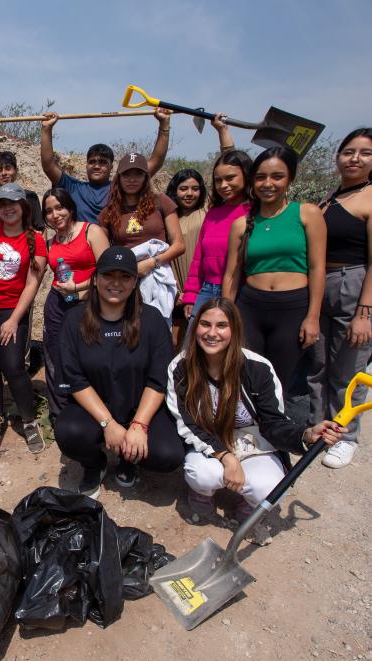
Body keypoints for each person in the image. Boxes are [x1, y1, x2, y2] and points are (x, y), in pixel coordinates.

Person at [167, 298, 345, 545]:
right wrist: (226, 457)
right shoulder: (182, 366)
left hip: (253, 438)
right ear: (195, 326)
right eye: (205, 324)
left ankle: (246, 509)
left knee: (269, 489)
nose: (212, 333)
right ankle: (201, 496)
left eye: (221, 325)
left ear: (235, 330)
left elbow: (273, 422)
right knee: (201, 474)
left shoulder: (258, 368)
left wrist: (305, 435)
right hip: (210, 437)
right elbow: (187, 422)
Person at [54, 246, 185, 498]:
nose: (116, 283)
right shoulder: (74, 320)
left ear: (135, 282)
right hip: (95, 409)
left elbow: (159, 379)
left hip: (140, 407)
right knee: (69, 433)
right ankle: (95, 464)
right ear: (95, 279)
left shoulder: (152, 319)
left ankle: (130, 458)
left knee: (169, 454)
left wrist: (139, 425)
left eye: (125, 276)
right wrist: (108, 423)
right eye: (108, 275)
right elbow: (74, 378)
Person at [223, 147, 327, 389]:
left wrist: (313, 317)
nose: (267, 184)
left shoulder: (307, 214)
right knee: (245, 375)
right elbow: (232, 273)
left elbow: (317, 268)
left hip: (293, 308)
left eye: (277, 176)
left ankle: (273, 426)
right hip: (250, 307)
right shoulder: (241, 224)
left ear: (290, 178)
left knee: (279, 381)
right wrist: (226, 314)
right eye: (260, 177)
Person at [308, 128, 372, 468]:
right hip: (323, 282)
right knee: (318, 364)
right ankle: (320, 428)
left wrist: (364, 312)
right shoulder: (333, 196)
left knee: (347, 367)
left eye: (364, 153)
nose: (355, 159)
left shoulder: (370, 196)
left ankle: (346, 435)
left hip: (355, 281)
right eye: (348, 152)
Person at [0, 183, 48, 453]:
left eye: (13, 203)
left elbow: (31, 285)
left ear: (24, 207)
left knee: (13, 366)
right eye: (2, 204)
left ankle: (28, 420)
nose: (7, 208)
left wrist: (14, 319)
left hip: (12, 310)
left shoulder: (36, 239)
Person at [42, 187, 109, 420]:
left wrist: (78, 288)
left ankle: (95, 411)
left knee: (89, 357)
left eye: (59, 207)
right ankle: (59, 413)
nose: (55, 214)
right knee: (54, 355)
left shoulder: (92, 231)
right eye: (49, 211)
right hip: (57, 305)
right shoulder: (50, 242)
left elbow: (108, 273)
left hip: (89, 304)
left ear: (70, 207)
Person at [40, 109, 171, 223]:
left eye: (103, 162)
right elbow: (48, 165)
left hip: (114, 250)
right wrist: (47, 129)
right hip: (84, 248)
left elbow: (156, 161)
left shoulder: (120, 186)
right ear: (86, 166)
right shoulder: (74, 188)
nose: (96, 166)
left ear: (111, 167)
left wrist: (164, 124)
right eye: (92, 162)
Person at [98, 152, 185, 322]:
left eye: (138, 174)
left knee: (156, 326)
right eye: (127, 174)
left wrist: (150, 263)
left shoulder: (161, 202)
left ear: (146, 177)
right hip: (124, 279)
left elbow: (179, 245)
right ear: (119, 178)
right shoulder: (108, 212)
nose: (132, 179)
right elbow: (102, 252)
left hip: (157, 274)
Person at [167, 115, 236, 297]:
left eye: (195, 189)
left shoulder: (208, 211)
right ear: (175, 190)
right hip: (175, 294)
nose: (189, 193)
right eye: (183, 188)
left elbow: (231, 164)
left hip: (207, 290)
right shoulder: (167, 217)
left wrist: (222, 130)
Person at [181, 149, 253, 319]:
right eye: (218, 180)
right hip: (207, 290)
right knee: (194, 340)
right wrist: (191, 295)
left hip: (241, 292)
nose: (223, 185)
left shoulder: (255, 213)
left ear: (246, 175)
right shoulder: (213, 213)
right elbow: (199, 257)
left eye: (230, 178)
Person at [0, 151, 44, 231]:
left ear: (16, 170)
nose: (4, 173)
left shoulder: (30, 197)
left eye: (8, 168)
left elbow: (41, 229)